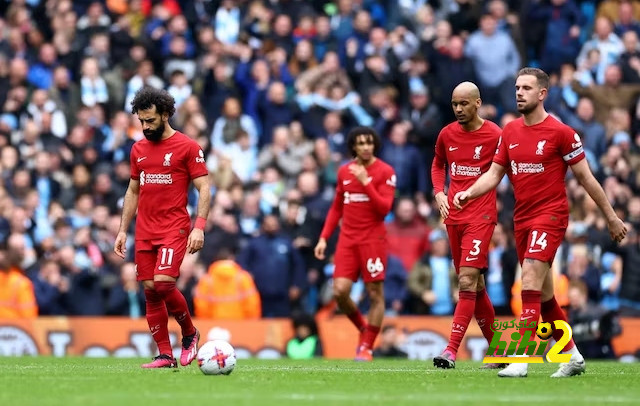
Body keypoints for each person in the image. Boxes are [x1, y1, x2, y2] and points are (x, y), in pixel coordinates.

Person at [453, 68, 627, 378]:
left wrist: (611, 217)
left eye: (527, 88)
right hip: (522, 218)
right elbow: (494, 175)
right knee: (545, 298)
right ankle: (573, 356)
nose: (519, 92)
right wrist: (467, 192)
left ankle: (522, 358)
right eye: (517, 87)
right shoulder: (510, 131)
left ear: (542, 94)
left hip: (551, 216)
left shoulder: (562, 133)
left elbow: (587, 178)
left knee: (530, 278)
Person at [114, 87, 211, 369]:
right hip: (145, 230)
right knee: (149, 289)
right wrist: (122, 230)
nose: (145, 127)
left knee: (163, 282)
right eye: (141, 121)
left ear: (166, 114)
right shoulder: (138, 149)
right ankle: (166, 355)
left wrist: (199, 227)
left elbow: (204, 188)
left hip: (174, 227)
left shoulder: (188, 147)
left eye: (150, 121)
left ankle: (190, 333)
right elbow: (133, 190)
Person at [430, 82, 503, 369]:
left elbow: (508, 168)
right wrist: (439, 192)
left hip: (481, 216)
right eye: (454, 104)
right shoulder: (447, 134)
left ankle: (450, 351)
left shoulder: (495, 134)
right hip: (453, 217)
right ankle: (501, 351)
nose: (458, 109)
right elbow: (438, 164)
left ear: (477, 103)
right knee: (476, 284)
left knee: (465, 282)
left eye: (463, 104)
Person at [314, 126, 396, 361]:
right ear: (353, 147)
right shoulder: (344, 172)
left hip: (373, 239)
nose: (365, 147)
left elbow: (384, 209)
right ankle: (363, 328)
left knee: (374, 293)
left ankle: (367, 346)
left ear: (374, 145)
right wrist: (323, 238)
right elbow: (337, 207)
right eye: (360, 143)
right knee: (339, 291)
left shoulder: (385, 171)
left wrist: (366, 182)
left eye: (369, 142)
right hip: (347, 239)